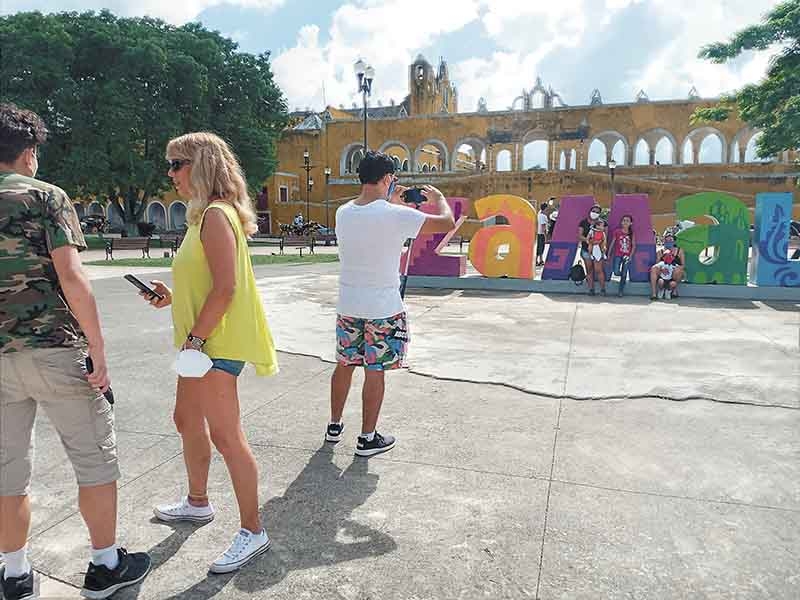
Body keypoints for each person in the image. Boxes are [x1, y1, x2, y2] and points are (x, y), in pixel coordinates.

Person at [0, 103, 151, 600]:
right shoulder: (47, 197)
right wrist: (99, 352)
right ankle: (105, 565)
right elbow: (72, 276)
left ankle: (15, 573)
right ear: (28, 152)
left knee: (7, 469)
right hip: (57, 349)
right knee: (92, 459)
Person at [142, 132, 278, 574]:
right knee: (185, 420)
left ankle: (253, 530)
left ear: (199, 166)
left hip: (211, 345)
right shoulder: (201, 219)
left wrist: (197, 339)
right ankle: (198, 502)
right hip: (199, 343)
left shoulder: (217, 216)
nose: (171, 174)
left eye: (176, 164)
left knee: (227, 437)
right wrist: (171, 294)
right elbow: (205, 283)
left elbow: (226, 289)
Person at [326, 151, 455, 457]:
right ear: (386, 178)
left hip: (348, 303)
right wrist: (438, 198)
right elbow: (447, 222)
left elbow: (376, 223)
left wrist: (391, 199)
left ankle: (334, 426)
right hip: (382, 307)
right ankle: (367, 438)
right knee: (375, 370)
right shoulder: (396, 215)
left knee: (344, 364)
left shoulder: (343, 212)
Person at [578, 204, 607, 295]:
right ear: (590, 211)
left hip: (598, 251)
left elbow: (605, 236)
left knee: (599, 270)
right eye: (594, 211)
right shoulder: (583, 222)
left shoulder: (603, 223)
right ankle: (591, 289)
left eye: (597, 212)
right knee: (589, 270)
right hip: (586, 251)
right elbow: (579, 236)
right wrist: (589, 241)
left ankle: (603, 289)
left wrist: (600, 243)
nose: (595, 213)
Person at [650, 231, 685, 299]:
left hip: (674, 274)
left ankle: (673, 290)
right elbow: (657, 264)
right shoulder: (660, 251)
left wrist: (674, 268)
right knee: (653, 268)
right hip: (664, 274)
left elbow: (683, 265)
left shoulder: (679, 251)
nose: (668, 242)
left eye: (670, 240)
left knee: (679, 270)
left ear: (674, 241)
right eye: (667, 240)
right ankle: (654, 293)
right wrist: (662, 269)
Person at [608, 215, 636, 297]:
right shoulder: (617, 232)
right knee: (616, 271)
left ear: (631, 223)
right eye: (624, 220)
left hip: (627, 256)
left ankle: (621, 290)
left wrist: (630, 256)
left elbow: (634, 245)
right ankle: (622, 275)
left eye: (627, 221)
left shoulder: (631, 233)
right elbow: (612, 243)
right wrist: (609, 254)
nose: (625, 222)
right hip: (617, 255)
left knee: (624, 273)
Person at [536, 202, 549, 266]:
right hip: (541, 234)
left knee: (539, 247)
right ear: (545, 208)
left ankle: (540, 260)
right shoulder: (543, 216)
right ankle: (538, 260)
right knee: (541, 248)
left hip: (538, 234)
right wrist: (546, 237)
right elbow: (543, 226)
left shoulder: (538, 214)